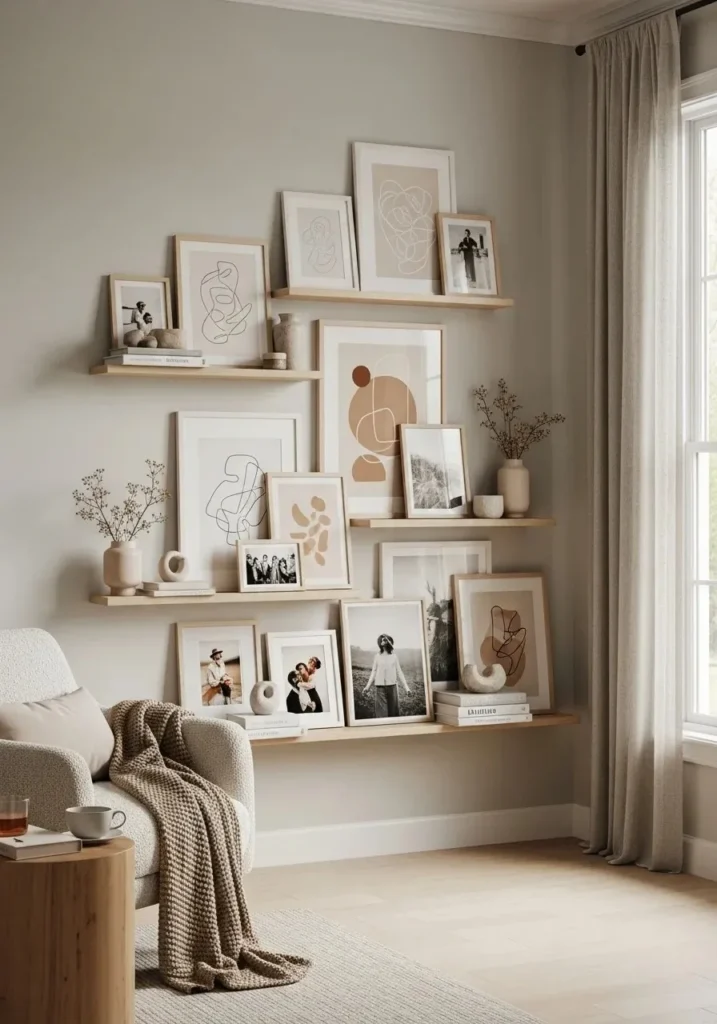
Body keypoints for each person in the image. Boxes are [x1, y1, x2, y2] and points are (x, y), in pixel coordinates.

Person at [361, 634, 410, 718]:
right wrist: (367, 687)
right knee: (381, 715)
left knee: (393, 714)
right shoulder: (377, 657)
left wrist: (407, 688)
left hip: (392, 687)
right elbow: (373, 672)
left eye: (386, 640)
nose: (384, 641)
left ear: (390, 642)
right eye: (382, 640)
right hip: (380, 688)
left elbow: (399, 672)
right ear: (380, 643)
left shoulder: (394, 657)